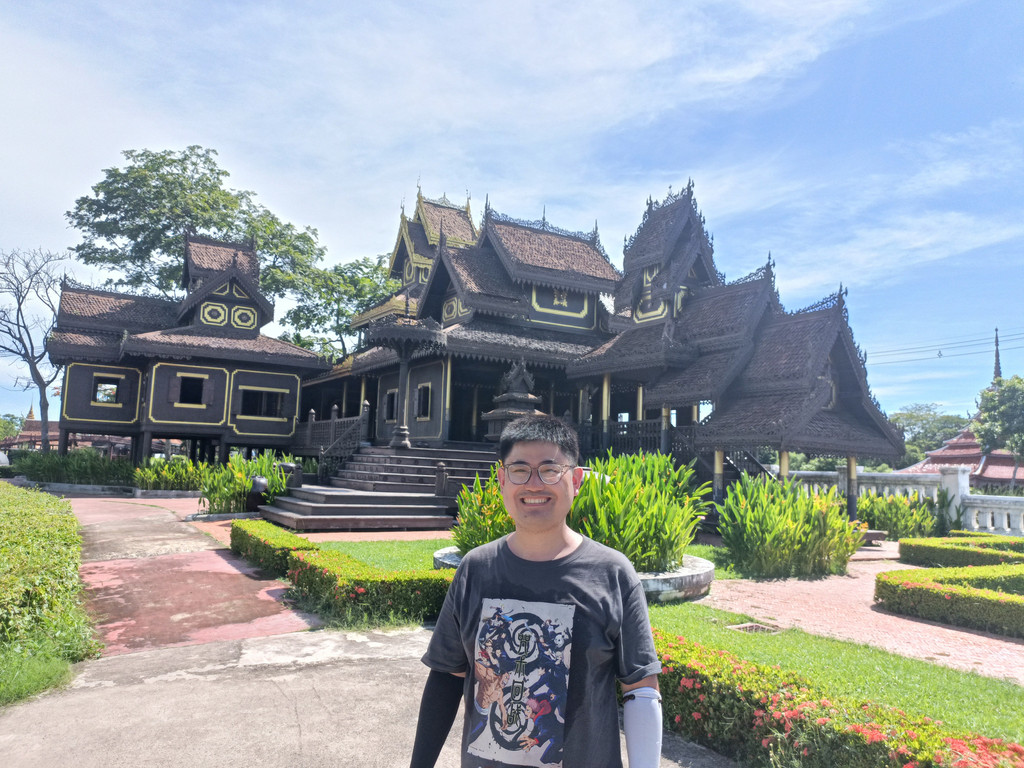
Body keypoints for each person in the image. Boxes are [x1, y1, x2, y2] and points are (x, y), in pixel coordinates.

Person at [410, 414, 663, 768]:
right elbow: (447, 676)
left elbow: (641, 689)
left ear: (576, 479)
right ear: (502, 480)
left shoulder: (612, 574)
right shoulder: (475, 569)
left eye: (550, 470)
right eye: (519, 470)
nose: (533, 484)